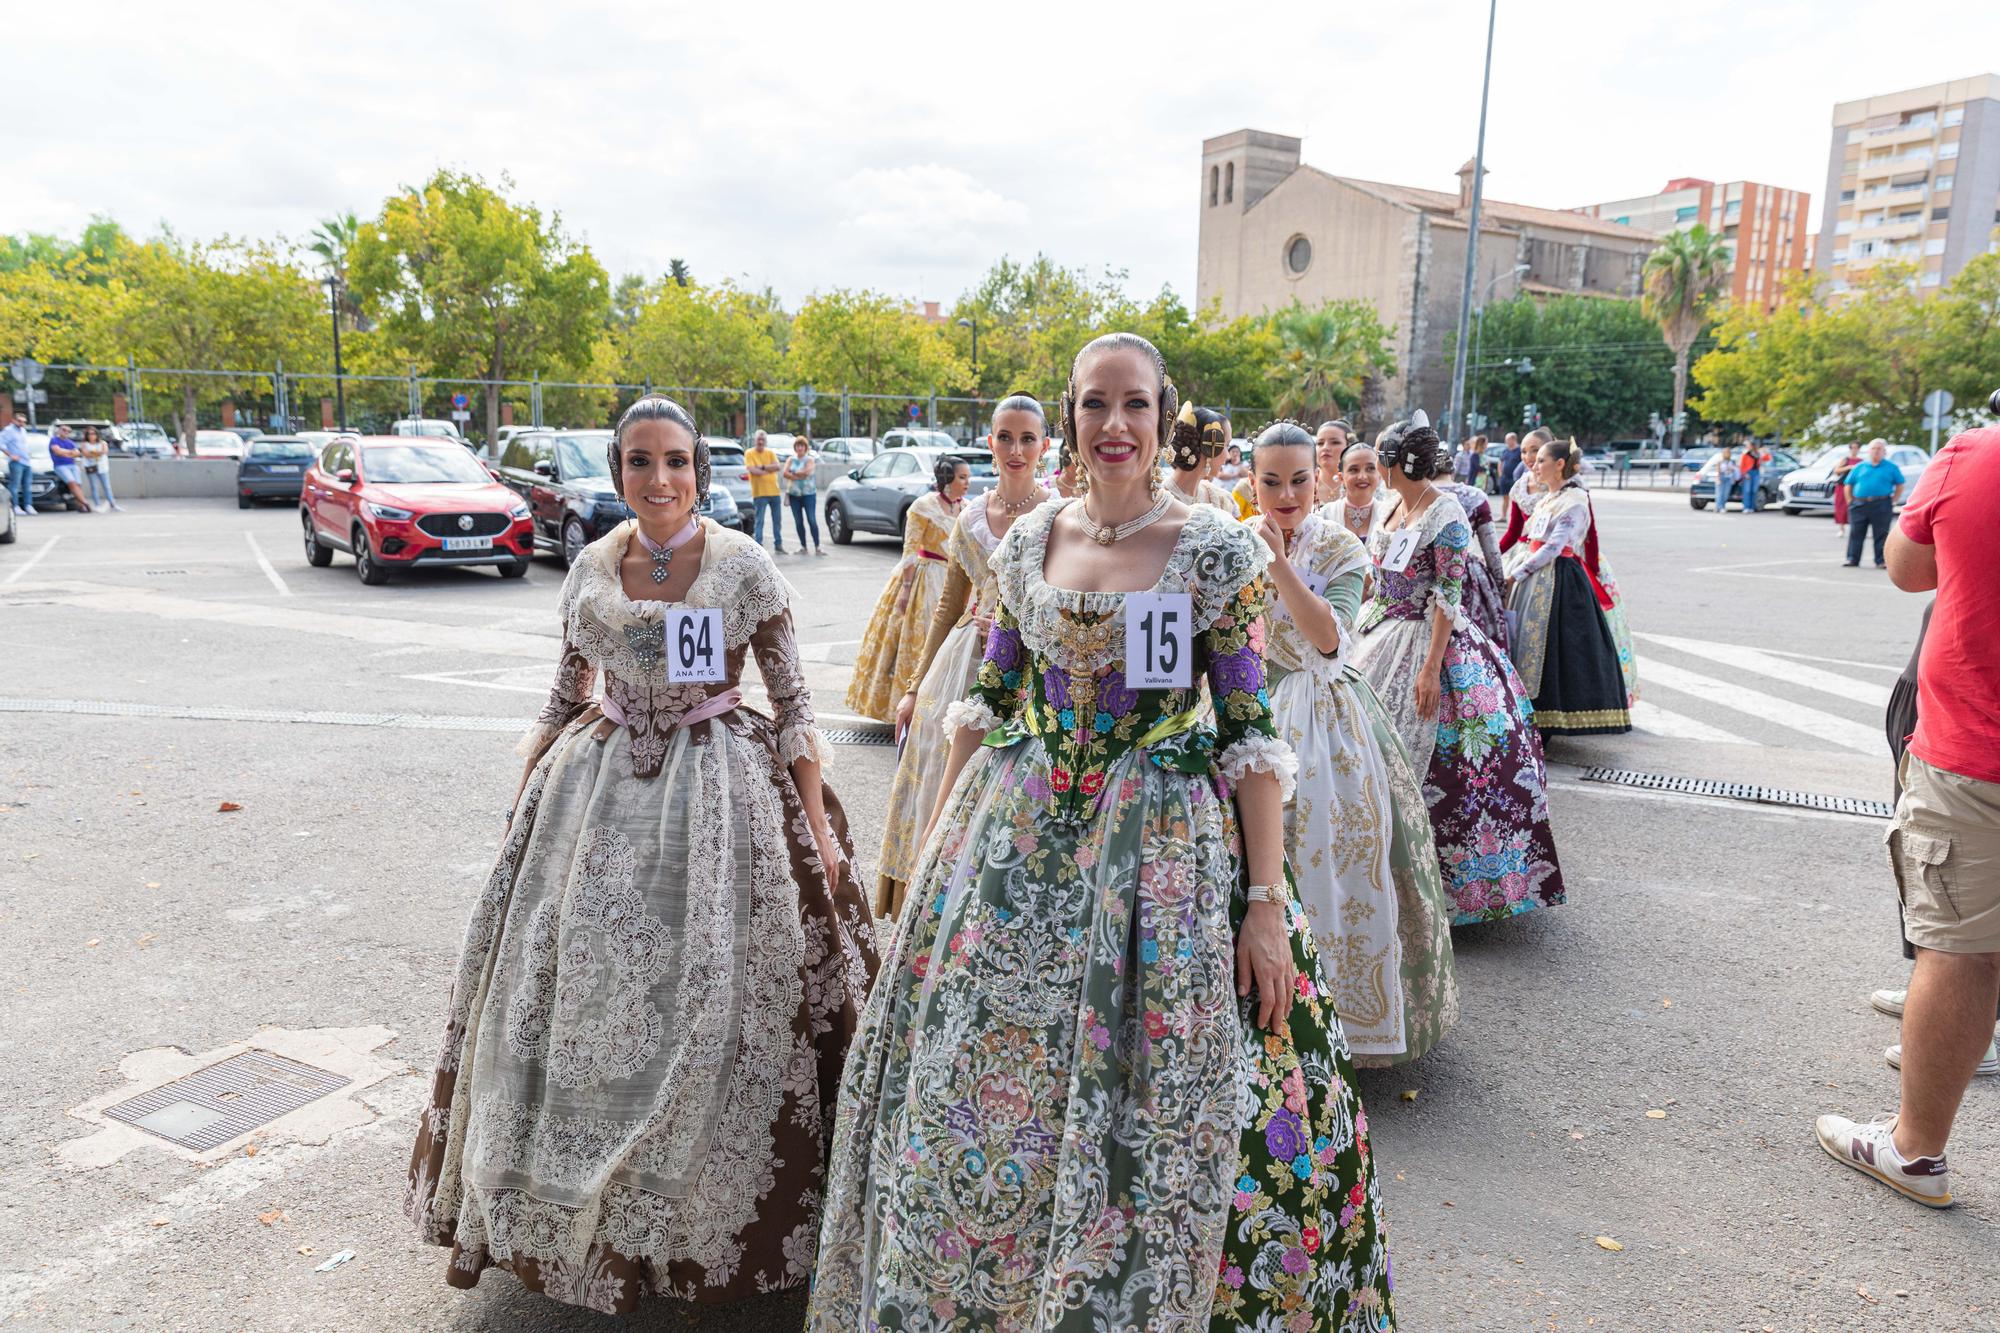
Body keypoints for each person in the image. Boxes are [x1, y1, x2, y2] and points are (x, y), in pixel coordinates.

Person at [810, 333, 1394, 1329]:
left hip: (1165, 854)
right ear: (1070, 415)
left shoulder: (1215, 547)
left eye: (1133, 404)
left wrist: (1260, 905)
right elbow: (987, 703)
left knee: (1160, 1096)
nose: (1113, 424)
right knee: (986, 1094)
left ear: (1162, 413)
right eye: (1093, 403)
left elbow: (1248, 733)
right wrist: (944, 856)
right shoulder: (1027, 540)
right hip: (1014, 844)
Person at [405, 395, 880, 1311]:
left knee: (716, 997)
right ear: (619, 468)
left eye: (676, 461)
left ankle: (696, 1219)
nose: (659, 480)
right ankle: (583, 1214)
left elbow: (794, 705)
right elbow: (560, 692)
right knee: (579, 990)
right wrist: (522, 794)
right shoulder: (590, 564)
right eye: (639, 462)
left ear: (701, 468)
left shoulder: (742, 564)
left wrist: (818, 827)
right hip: (598, 787)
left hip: (724, 788)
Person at [1818, 422, 2000, 1208]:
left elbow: (1906, 567)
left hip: (1977, 752)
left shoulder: (1976, 454)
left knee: (1959, 948)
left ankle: (1915, 1151)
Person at [1253, 420, 1459, 1065]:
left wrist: (1279, 565)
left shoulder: (1342, 545)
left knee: (1346, 853)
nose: (1286, 494)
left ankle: (1345, 1023)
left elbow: (1330, 637)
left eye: (1299, 480)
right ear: (1251, 482)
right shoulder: (1229, 545)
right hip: (1249, 707)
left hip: (1328, 715)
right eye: (1270, 481)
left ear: (1320, 478)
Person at [1351, 415, 1564, 924]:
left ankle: (1447, 892)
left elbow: (1448, 594)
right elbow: (1376, 578)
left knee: (1452, 761)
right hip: (1378, 632)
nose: (1376, 466)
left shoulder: (1444, 512)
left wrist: (1430, 668)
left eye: (1381, 456)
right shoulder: (1392, 504)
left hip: (1429, 640)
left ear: (1398, 462)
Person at [874, 393, 1050, 918]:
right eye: (1005, 437)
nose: (1015, 449)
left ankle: (990, 912)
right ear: (990, 443)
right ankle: (929, 910)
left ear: (1044, 445)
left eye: (1026, 438)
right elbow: (949, 605)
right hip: (962, 668)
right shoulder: (970, 516)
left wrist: (1023, 624)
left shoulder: (1059, 515)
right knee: (937, 781)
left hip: (1029, 672)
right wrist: (911, 687)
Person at [1502, 438, 1634, 735]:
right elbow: (1523, 534)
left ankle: (1551, 719)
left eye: (1541, 460)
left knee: (1557, 647)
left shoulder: (1574, 500)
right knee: (1526, 643)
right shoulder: (1550, 497)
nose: (1533, 465)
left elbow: (1555, 546)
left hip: (1558, 580)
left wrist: (1517, 574)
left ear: (1560, 465)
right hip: (1535, 577)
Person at [842, 456, 968, 722]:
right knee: (918, 640)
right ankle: (910, 707)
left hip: (955, 580)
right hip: (926, 577)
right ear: (947, 480)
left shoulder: (966, 509)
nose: (967, 483)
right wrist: (906, 588)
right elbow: (910, 551)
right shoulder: (922, 506)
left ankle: (944, 707)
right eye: (962, 477)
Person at [1432, 445, 1510, 653]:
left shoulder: (1420, 497)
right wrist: (1500, 588)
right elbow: (1491, 549)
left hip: (1428, 576)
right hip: (1467, 576)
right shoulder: (1474, 496)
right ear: (1453, 469)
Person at [1163, 402, 1238, 510]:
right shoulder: (1156, 500)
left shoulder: (1220, 500)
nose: (1228, 457)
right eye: (1226, 445)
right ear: (1209, 447)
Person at [1842, 438, 1904, 568]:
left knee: (1881, 534)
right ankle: (1852, 558)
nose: (1876, 451)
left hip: (1881, 504)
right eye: (1874, 449)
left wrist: (1894, 500)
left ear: (1884, 452)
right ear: (1869, 451)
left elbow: (1900, 484)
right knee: (1856, 533)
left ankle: (1881, 561)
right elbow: (1848, 484)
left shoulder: (1891, 467)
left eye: (1879, 449)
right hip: (1859, 504)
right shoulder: (1860, 466)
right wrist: (1850, 501)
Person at [1326, 433, 1383, 544]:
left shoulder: (1389, 515)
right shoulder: (1325, 515)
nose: (1362, 476)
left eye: (1370, 468)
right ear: (1341, 477)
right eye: (1354, 470)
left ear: (1379, 474)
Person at [1499, 427, 1551, 549]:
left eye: (1535, 450)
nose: (1528, 456)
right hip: (1526, 552)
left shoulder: (1566, 485)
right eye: (1523, 451)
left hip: (1561, 556)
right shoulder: (1520, 487)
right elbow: (1513, 532)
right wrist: (1491, 557)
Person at [780, 434, 823, 555]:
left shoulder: (810, 459)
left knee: (811, 519)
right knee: (798, 521)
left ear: (805, 447)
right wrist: (799, 474)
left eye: (802, 445)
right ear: (795, 447)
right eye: (798, 445)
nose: (800, 448)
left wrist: (794, 473)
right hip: (794, 495)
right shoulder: (791, 459)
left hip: (809, 494)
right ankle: (803, 546)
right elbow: (785, 473)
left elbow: (807, 472)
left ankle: (817, 546)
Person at [743, 429, 784, 552]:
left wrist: (763, 467)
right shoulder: (749, 453)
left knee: (777, 521)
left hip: (775, 492)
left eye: (763, 440)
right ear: (755, 441)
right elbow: (752, 470)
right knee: (759, 520)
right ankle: (758, 546)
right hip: (760, 493)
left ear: (765, 441)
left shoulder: (770, 452)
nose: (760, 442)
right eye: (758, 439)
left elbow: (778, 466)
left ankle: (779, 545)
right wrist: (768, 470)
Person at [47, 425, 93, 512]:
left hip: (72, 465)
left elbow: (77, 453)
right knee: (71, 482)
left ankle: (81, 506)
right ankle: (85, 503)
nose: (66, 432)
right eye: (64, 430)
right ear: (59, 430)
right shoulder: (54, 440)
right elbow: (58, 452)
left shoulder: (70, 442)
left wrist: (64, 452)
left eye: (68, 431)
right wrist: (69, 452)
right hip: (60, 465)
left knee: (78, 484)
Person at [78, 426, 122, 512]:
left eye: (93, 433)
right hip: (91, 467)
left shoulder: (103, 443)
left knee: (107, 487)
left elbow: (104, 452)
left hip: (102, 467)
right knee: (94, 486)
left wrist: (92, 453)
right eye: (89, 434)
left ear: (97, 434)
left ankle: (113, 505)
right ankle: (97, 505)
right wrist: (97, 453)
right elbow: (86, 454)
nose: (91, 436)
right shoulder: (84, 444)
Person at [1830, 439, 1863, 536]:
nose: (1854, 450)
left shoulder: (1861, 461)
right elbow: (1837, 470)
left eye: (1856, 448)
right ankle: (1841, 529)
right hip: (1842, 486)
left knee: (1855, 507)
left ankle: (1855, 528)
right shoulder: (1846, 459)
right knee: (1841, 507)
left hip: (1855, 487)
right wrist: (1848, 467)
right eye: (1852, 448)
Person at [2, 412, 31, 516]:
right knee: (15, 485)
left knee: (27, 485)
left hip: (26, 461)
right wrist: (11, 455)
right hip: (16, 462)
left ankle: (28, 505)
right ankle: (15, 506)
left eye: (24, 421)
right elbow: (1, 443)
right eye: (19, 421)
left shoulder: (23, 431)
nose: (22, 423)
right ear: (13, 420)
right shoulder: (8, 430)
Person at [1738, 440, 1773, 514]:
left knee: (1754, 490)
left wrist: (1766, 451)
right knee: (1747, 490)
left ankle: (1751, 507)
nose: (1748, 447)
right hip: (1748, 473)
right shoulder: (1745, 454)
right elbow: (1742, 465)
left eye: (1749, 445)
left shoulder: (1758, 454)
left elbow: (1768, 458)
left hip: (1756, 472)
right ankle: (1746, 507)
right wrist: (1745, 473)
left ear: (1753, 446)